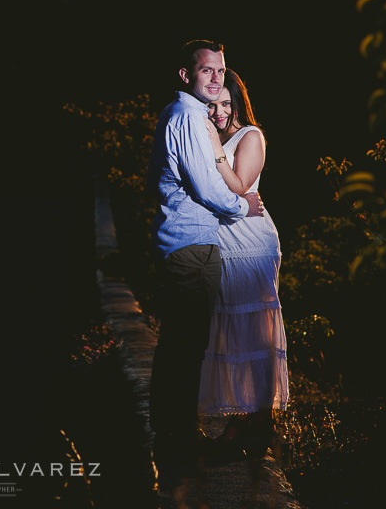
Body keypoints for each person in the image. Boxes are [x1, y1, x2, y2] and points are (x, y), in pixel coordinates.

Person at [147, 40, 263, 461]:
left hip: (183, 239)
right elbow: (208, 186)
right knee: (186, 342)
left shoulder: (178, 114)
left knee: (180, 339)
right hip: (191, 242)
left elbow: (154, 179)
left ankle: (171, 428)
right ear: (186, 75)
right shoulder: (189, 117)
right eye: (206, 71)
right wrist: (241, 206)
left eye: (220, 70)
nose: (215, 79)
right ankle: (179, 435)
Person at [199, 69, 288, 459]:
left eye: (226, 104)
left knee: (255, 332)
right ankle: (243, 420)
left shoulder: (250, 136)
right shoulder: (209, 137)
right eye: (212, 104)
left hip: (251, 244)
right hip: (225, 242)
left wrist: (214, 151)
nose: (218, 112)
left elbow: (237, 185)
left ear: (238, 101)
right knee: (232, 331)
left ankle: (258, 425)